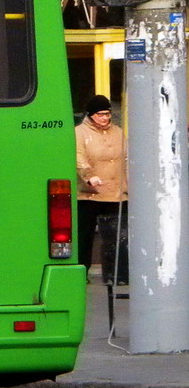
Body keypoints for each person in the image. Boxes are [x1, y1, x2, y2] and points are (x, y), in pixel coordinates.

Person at [75, 94, 128, 274]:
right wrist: (89, 176)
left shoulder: (118, 132)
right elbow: (78, 158)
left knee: (118, 235)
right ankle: (82, 271)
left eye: (107, 114)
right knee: (85, 236)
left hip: (116, 193)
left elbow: (127, 158)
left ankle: (117, 272)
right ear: (90, 115)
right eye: (100, 114)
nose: (105, 118)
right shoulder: (79, 133)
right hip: (89, 194)